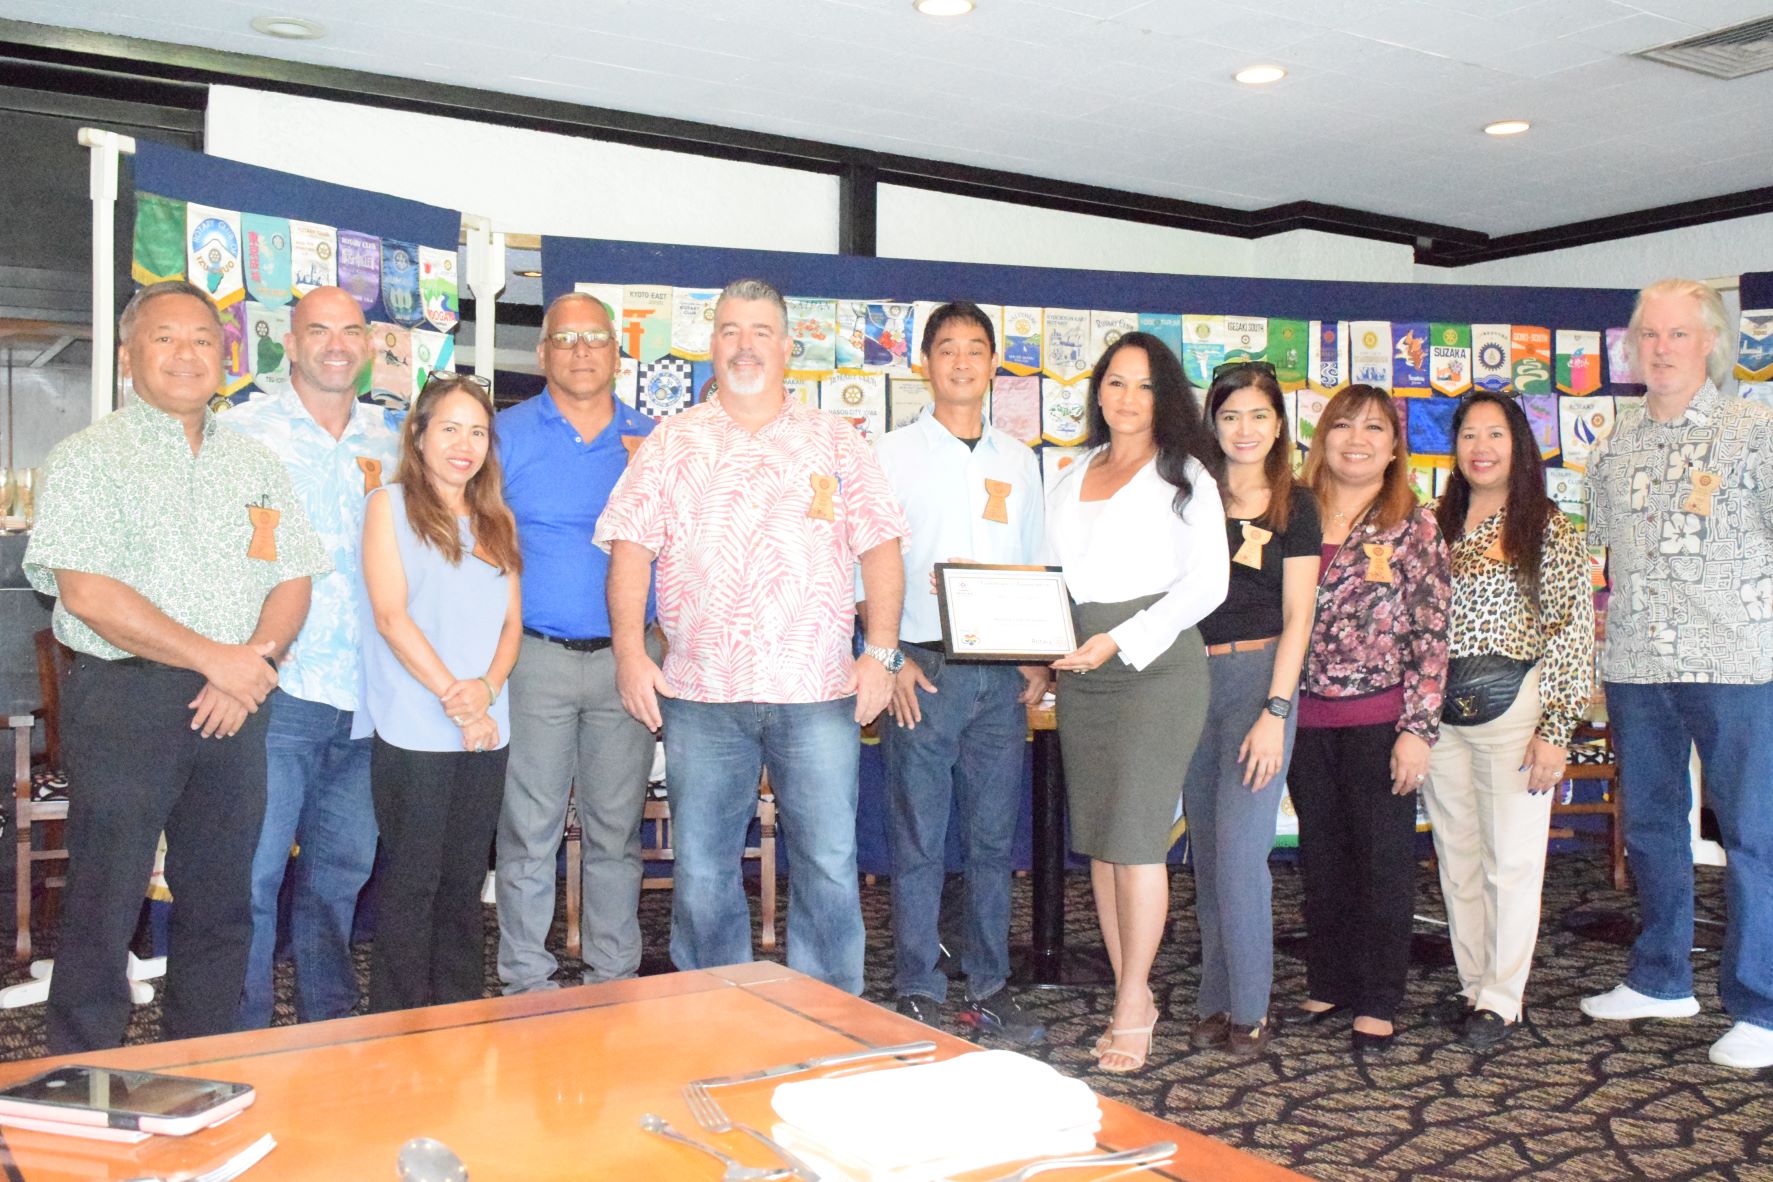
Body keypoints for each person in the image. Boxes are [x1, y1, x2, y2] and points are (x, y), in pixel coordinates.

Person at [24, 280, 328, 1052]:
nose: (187, 353)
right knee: (106, 899)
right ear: (130, 356)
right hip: (125, 698)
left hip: (237, 700)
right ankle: (81, 1070)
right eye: (165, 338)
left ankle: (204, 1058)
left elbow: (292, 575)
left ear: (224, 355)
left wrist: (251, 664)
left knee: (224, 899)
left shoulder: (255, 462)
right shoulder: (89, 457)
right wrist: (217, 661)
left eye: (202, 338)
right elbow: (88, 593)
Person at [597, 278, 910, 995]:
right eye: (731, 330)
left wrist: (882, 653)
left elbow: (881, 546)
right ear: (711, 345)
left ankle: (829, 1008)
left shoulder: (835, 439)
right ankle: (714, 1010)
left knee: (828, 859)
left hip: (818, 691)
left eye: (760, 331)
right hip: (701, 695)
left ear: (788, 347)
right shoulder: (672, 440)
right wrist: (626, 655)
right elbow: (630, 549)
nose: (745, 345)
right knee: (703, 864)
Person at [1580, 278, 1773, 1070]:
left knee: (1753, 835)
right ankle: (1661, 979)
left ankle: (1761, 1007)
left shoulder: (1753, 429)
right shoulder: (1614, 442)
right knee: (1654, 826)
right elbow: (1600, 549)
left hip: (1736, 661)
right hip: (1635, 663)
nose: (1660, 349)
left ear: (1711, 344)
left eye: (1677, 335)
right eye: (1648, 335)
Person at [1044, 331, 1229, 1072]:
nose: (1125, 398)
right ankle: (1134, 990)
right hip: (1080, 669)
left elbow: (1206, 584)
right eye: (1114, 383)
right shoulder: (1070, 472)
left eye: (1143, 386)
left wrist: (1121, 640)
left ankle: (1130, 1001)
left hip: (1154, 668)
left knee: (1137, 837)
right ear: (1097, 392)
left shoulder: (1186, 475)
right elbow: (1050, 576)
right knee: (1100, 837)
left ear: (1165, 397)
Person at [221, 285, 398, 1030]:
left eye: (350, 331)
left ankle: (331, 1024)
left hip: (369, 695)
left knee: (341, 877)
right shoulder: (240, 431)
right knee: (255, 877)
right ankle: (246, 1034)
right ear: (288, 345)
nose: (335, 343)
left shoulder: (394, 439)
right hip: (274, 686)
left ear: (367, 347)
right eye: (317, 330)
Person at [872, 301, 1049, 1043]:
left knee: (989, 840)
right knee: (917, 839)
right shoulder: (886, 455)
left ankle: (987, 983)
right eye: (947, 350)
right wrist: (890, 660)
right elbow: (862, 565)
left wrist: (1037, 662)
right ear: (923, 364)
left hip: (998, 677)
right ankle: (916, 984)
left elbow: (1037, 565)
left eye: (976, 350)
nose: (962, 363)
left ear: (992, 363)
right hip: (922, 669)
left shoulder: (1018, 459)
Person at [494, 293, 661, 993]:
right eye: (566, 340)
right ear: (542, 355)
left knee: (615, 832)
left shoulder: (656, 440)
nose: (582, 351)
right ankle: (525, 981)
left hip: (629, 662)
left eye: (597, 338)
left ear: (618, 354)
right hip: (534, 660)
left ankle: (613, 975)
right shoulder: (502, 435)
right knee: (529, 831)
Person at [1425, 392, 1592, 1050]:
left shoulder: (1545, 524)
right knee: (1456, 859)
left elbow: (1573, 629)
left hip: (1514, 706)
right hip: (1441, 715)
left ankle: (1502, 998)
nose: (1480, 446)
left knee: (1510, 862)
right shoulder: (1438, 524)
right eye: (1468, 434)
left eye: (1494, 434)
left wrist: (1555, 731)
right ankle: (1472, 987)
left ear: (1518, 446)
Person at [355, 373, 522, 1013]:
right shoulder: (387, 506)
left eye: (477, 431)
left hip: (487, 726)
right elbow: (392, 617)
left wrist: (485, 692)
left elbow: (512, 623)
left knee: (462, 885)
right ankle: (397, 1024)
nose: (464, 443)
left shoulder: (496, 518)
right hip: (417, 726)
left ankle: (459, 1017)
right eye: (450, 427)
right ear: (420, 435)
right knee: (412, 883)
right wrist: (459, 697)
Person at [1290, 384, 1450, 1051]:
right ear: (1320, 437)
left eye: (1374, 429)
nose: (1356, 439)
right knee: (1320, 859)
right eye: (1343, 425)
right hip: (1300, 719)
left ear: (1392, 449)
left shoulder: (1414, 523)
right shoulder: (1290, 513)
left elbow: (1431, 632)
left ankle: (1378, 996)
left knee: (1381, 863)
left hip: (1380, 719)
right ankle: (1330, 977)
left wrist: (1416, 730)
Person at [1180, 362, 1320, 1059]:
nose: (1244, 429)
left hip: (1259, 682)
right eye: (1230, 415)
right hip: (1188, 683)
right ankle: (1214, 997)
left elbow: (1299, 616)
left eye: (1258, 416)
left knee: (1240, 856)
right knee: (1206, 857)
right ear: (1213, 422)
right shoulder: (1188, 497)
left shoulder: (1297, 505)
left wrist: (1275, 708)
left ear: (1277, 425)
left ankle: (1252, 1008)